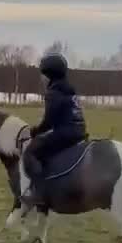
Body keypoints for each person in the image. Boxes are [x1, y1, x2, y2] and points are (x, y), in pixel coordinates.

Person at [21, 53, 87, 208]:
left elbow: (48, 123)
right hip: (79, 131)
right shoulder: (69, 90)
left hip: (66, 133)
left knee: (31, 152)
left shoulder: (54, 93)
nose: (41, 78)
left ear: (49, 75)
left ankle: (38, 193)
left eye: (43, 75)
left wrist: (34, 132)